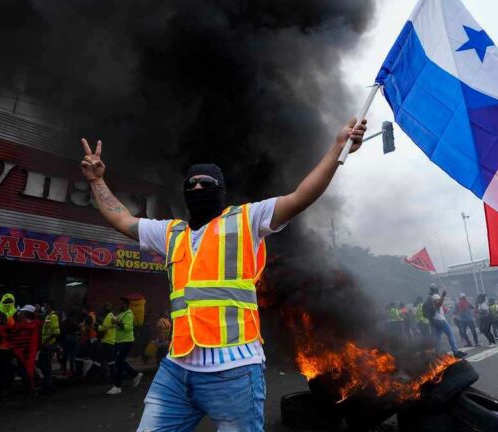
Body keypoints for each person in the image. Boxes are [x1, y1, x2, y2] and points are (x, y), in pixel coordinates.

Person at [80, 116, 368, 430]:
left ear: (221, 191)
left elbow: (301, 196)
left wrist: (336, 149)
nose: (199, 188)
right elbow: (122, 219)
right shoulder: (170, 233)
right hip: (177, 368)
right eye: (192, 184)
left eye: (207, 183)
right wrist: (96, 181)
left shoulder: (247, 219)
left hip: (235, 370)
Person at [107, 297, 143, 395]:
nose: (119, 305)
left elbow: (128, 327)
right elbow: (117, 326)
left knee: (118, 363)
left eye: (121, 304)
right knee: (119, 361)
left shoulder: (129, 314)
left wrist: (117, 322)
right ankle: (135, 374)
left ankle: (117, 386)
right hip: (119, 341)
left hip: (126, 341)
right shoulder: (121, 314)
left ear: (126, 305)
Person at [425, 285, 467, 358]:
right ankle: (456, 352)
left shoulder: (430, 297)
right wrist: (443, 295)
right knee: (450, 334)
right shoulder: (435, 296)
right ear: (435, 289)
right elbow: (439, 304)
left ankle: (435, 354)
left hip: (433, 319)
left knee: (437, 338)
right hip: (439, 319)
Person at [39, 301, 60, 390]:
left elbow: (56, 332)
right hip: (45, 344)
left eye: (45, 306)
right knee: (43, 363)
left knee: (46, 364)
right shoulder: (47, 316)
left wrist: (46, 342)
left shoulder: (53, 316)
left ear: (50, 306)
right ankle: (46, 382)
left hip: (49, 344)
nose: (44, 308)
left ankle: (48, 383)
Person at [96, 303, 117, 380]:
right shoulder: (112, 316)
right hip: (110, 341)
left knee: (101, 358)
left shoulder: (108, 317)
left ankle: (101, 374)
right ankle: (109, 375)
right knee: (109, 360)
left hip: (107, 341)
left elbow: (103, 328)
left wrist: (97, 326)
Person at [78, 305, 99, 377]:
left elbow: (86, 328)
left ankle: (81, 373)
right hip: (93, 337)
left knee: (82, 355)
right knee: (91, 355)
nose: (82, 311)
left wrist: (81, 337)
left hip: (88, 338)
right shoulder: (93, 315)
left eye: (83, 309)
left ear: (85, 309)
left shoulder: (88, 317)